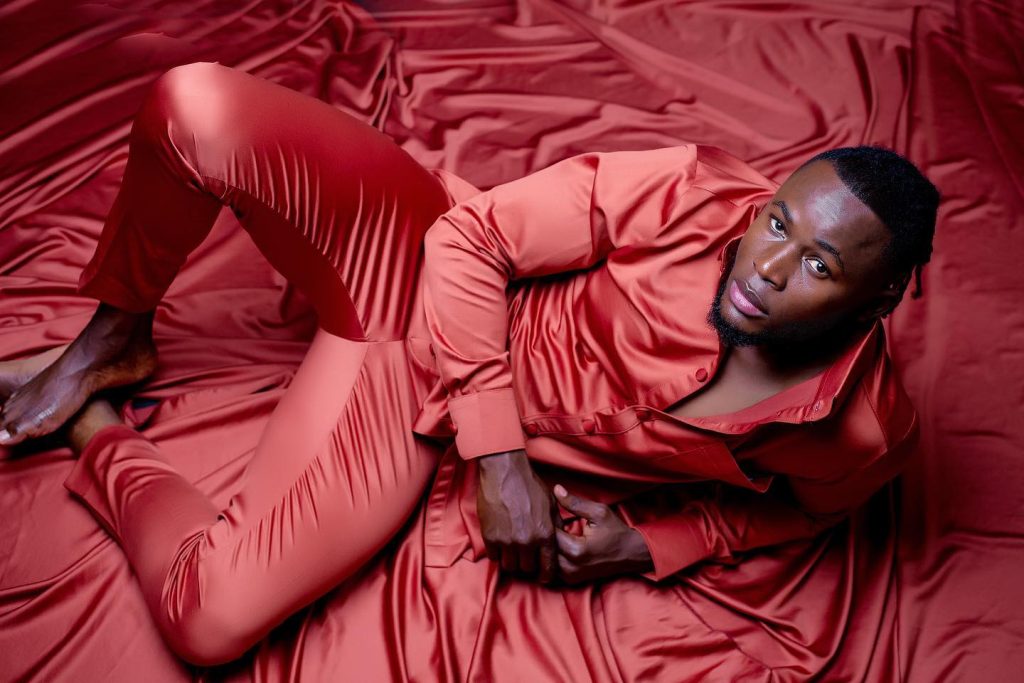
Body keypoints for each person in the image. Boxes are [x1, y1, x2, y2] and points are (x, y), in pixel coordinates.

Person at [0, 61, 937, 667]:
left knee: (209, 619)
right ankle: (115, 338)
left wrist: (646, 545)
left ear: (879, 301)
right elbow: (471, 237)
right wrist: (500, 457)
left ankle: (95, 428)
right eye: (776, 222)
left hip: (406, 399)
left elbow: (797, 513)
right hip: (419, 247)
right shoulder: (695, 190)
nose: (764, 268)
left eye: (819, 267)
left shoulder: (863, 433)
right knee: (192, 104)